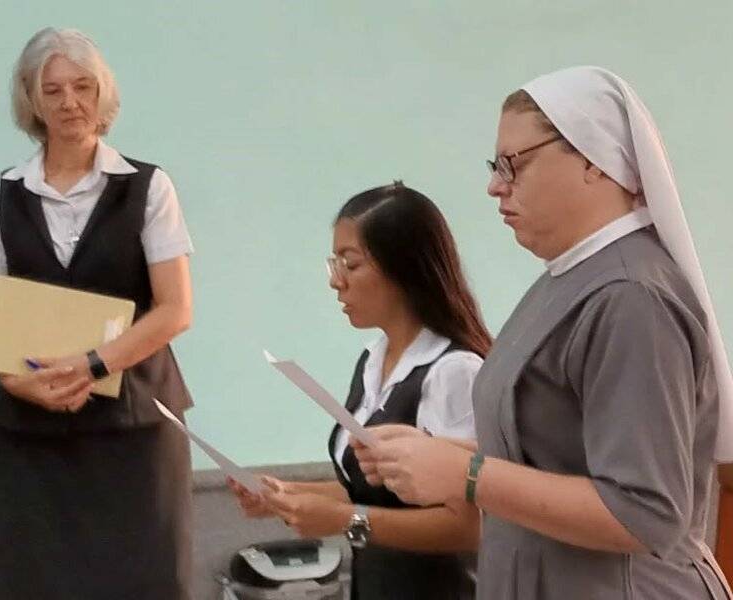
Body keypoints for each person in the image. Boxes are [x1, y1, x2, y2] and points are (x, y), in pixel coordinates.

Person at [357, 66, 733, 599]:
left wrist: (467, 473)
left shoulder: (630, 297)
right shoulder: (571, 279)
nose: (495, 186)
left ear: (592, 160)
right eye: (495, 167)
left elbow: (644, 511)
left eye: (513, 164)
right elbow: (556, 449)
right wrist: (431, 455)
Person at [0, 27, 194, 599]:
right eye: (53, 90)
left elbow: (175, 310)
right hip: (32, 435)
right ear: (32, 101)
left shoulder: (149, 186)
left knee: (144, 583)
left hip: (136, 428)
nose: (70, 102)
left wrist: (92, 365)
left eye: (83, 86)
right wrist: (19, 382)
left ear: (102, 93)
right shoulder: (2, 193)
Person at [229, 182, 492, 599]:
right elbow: (378, 494)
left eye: (350, 265)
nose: (337, 282)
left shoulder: (454, 371)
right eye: (334, 264)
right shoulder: (373, 360)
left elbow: (468, 525)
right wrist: (287, 494)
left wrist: (345, 520)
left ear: (402, 268)